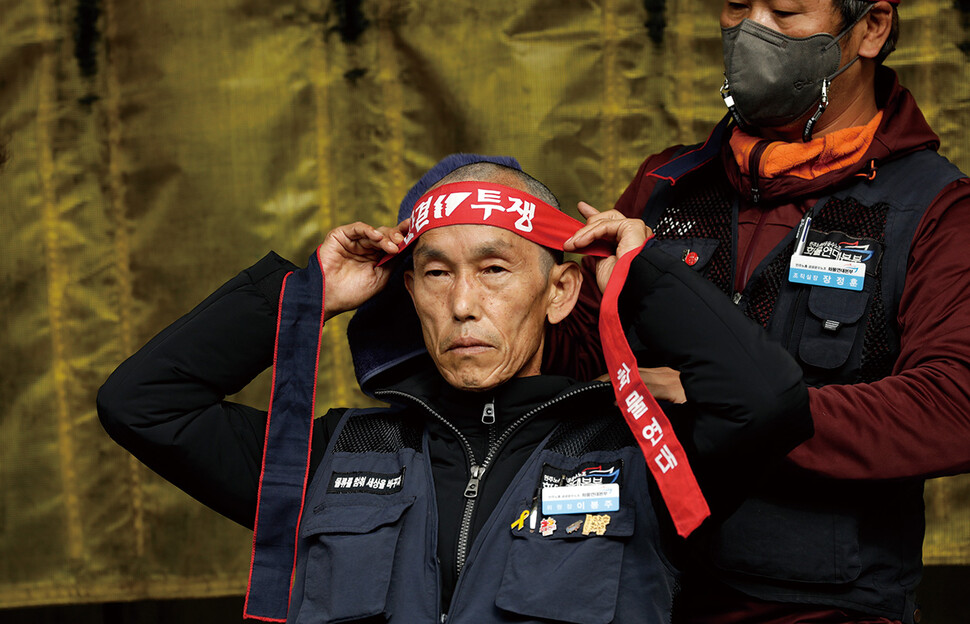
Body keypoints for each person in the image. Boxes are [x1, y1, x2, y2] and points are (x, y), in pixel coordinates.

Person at [98, 157, 812, 623]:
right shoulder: (335, 456)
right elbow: (143, 405)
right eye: (437, 274)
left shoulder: (637, 454)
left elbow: (770, 403)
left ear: (560, 290)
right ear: (408, 291)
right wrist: (305, 292)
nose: (463, 304)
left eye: (495, 270)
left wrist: (642, 273)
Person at [550, 2, 970, 623]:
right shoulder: (666, 187)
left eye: (788, 10)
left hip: (822, 607)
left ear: (872, 28)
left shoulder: (932, 207)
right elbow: (571, 361)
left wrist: (721, 404)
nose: (752, 29)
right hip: (639, 588)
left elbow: (951, 406)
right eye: (737, 6)